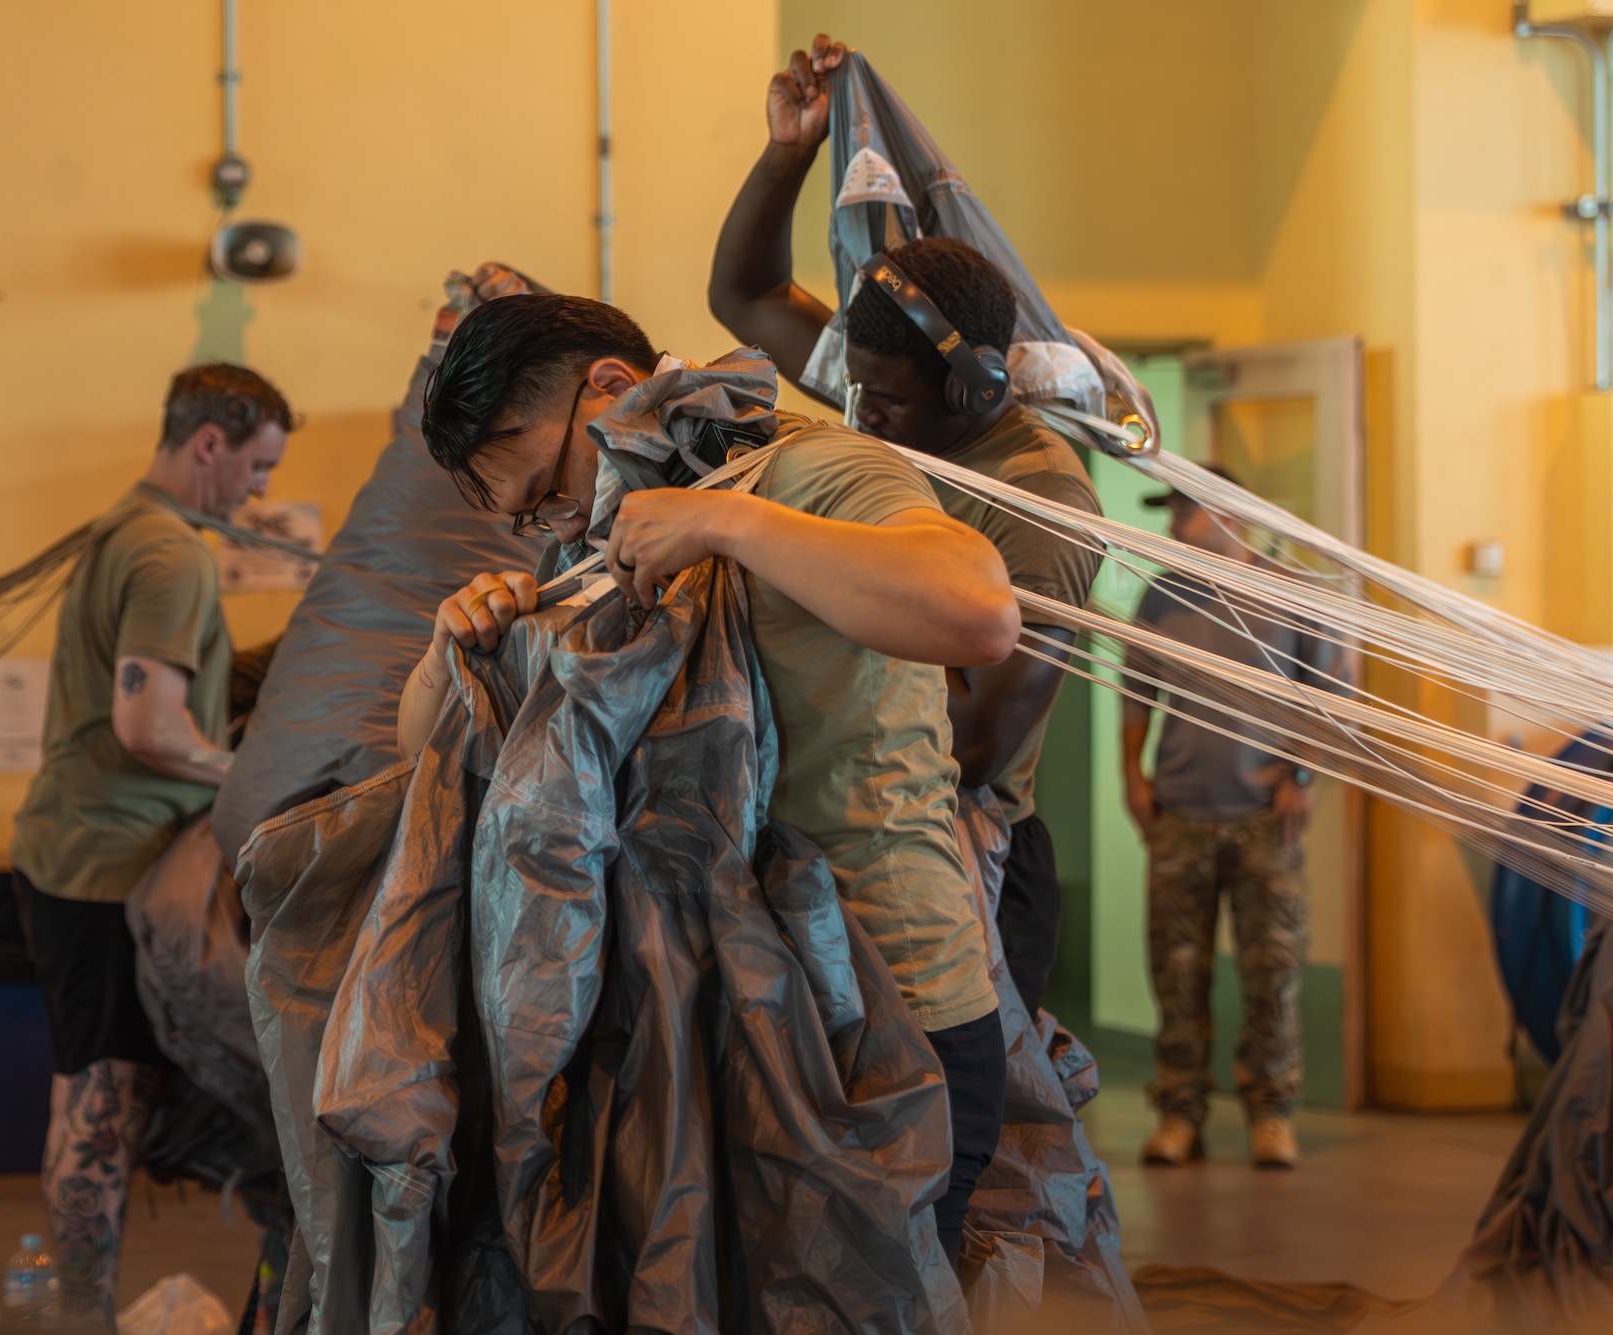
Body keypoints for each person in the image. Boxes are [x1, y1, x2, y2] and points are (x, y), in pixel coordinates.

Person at [396, 292, 1020, 1263]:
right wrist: (450, 652)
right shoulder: (602, 551)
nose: (555, 523)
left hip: (884, 1014)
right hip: (713, 1022)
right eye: (529, 518)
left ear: (608, 387)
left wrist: (731, 526)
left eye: (550, 490)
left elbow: (976, 611)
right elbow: (426, 765)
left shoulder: (811, 471)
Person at [707, 33, 1104, 1017]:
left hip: (964, 858)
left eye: (883, 402)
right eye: (858, 391)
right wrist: (787, 153)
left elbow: (972, 738)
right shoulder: (881, 404)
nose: (860, 416)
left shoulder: (1042, 506)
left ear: (973, 387)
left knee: (972, 1140)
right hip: (850, 821)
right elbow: (742, 296)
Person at [8, 362, 293, 1323]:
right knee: (103, 1100)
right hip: (110, 865)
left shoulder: (119, 531)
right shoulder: (169, 554)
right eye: (256, 466)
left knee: (83, 1090)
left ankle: (72, 1310)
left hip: (68, 849)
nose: (260, 490)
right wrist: (254, 779)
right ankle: (77, 1314)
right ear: (209, 443)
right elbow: (148, 728)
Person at [1120, 468, 1337, 1170]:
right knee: (1177, 974)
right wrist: (1133, 774)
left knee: (1271, 974)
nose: (1173, 522)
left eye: (1185, 507)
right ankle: (1180, 1113)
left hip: (1261, 822)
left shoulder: (1292, 595)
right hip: (1181, 814)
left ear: (1230, 517)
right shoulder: (1161, 596)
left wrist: (1301, 774)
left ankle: (1272, 1114)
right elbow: (1133, 693)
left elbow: (1329, 700)